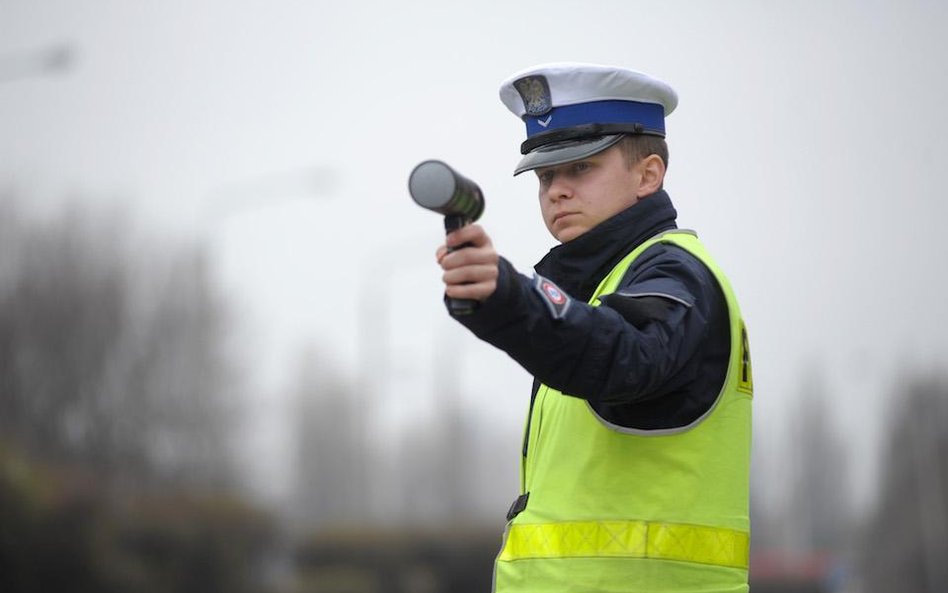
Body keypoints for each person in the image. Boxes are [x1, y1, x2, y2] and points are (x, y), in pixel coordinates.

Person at [434, 62, 753, 593]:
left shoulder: (677, 273)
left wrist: (513, 296)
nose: (556, 190)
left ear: (648, 174)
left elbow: (623, 357)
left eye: (579, 168)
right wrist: (501, 299)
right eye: (544, 176)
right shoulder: (601, 289)